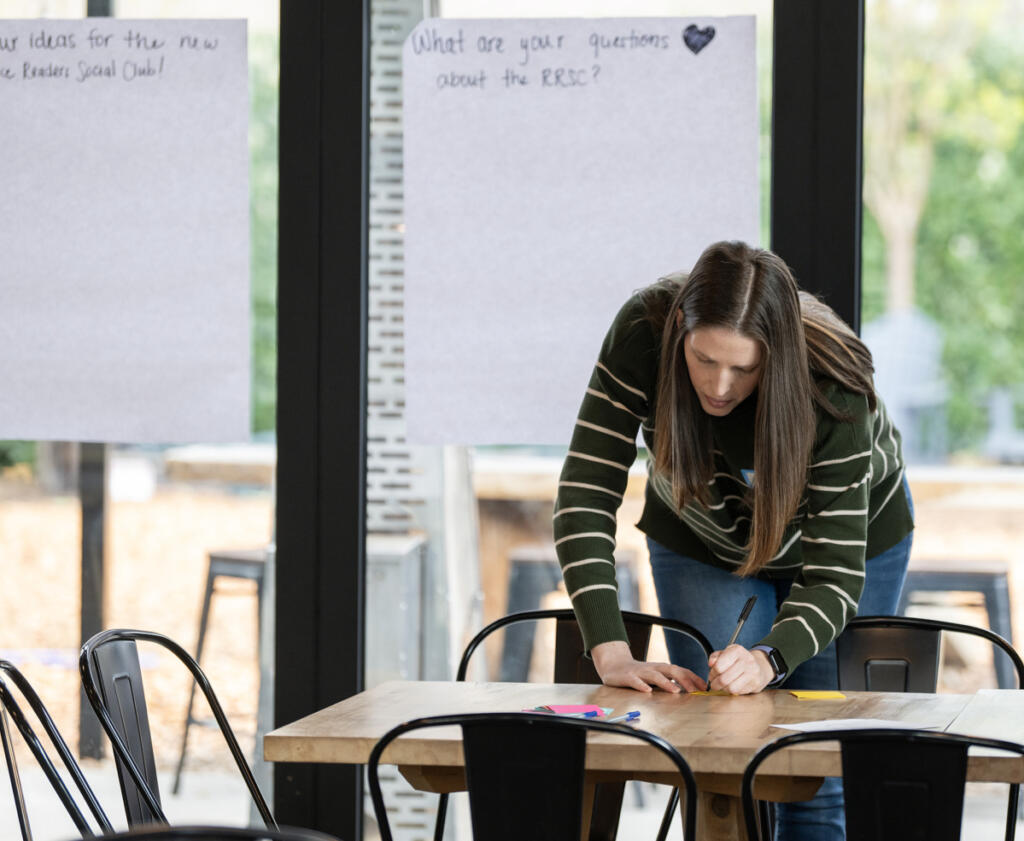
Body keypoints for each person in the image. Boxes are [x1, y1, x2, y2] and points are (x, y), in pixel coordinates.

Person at [553, 240, 914, 841]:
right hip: (703, 537)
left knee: (814, 773)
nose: (719, 386)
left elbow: (832, 576)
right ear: (679, 331)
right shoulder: (642, 331)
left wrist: (770, 658)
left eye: (745, 369)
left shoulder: (835, 382)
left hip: (849, 550)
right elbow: (585, 496)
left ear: (778, 355)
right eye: (703, 359)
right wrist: (609, 649)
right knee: (723, 761)